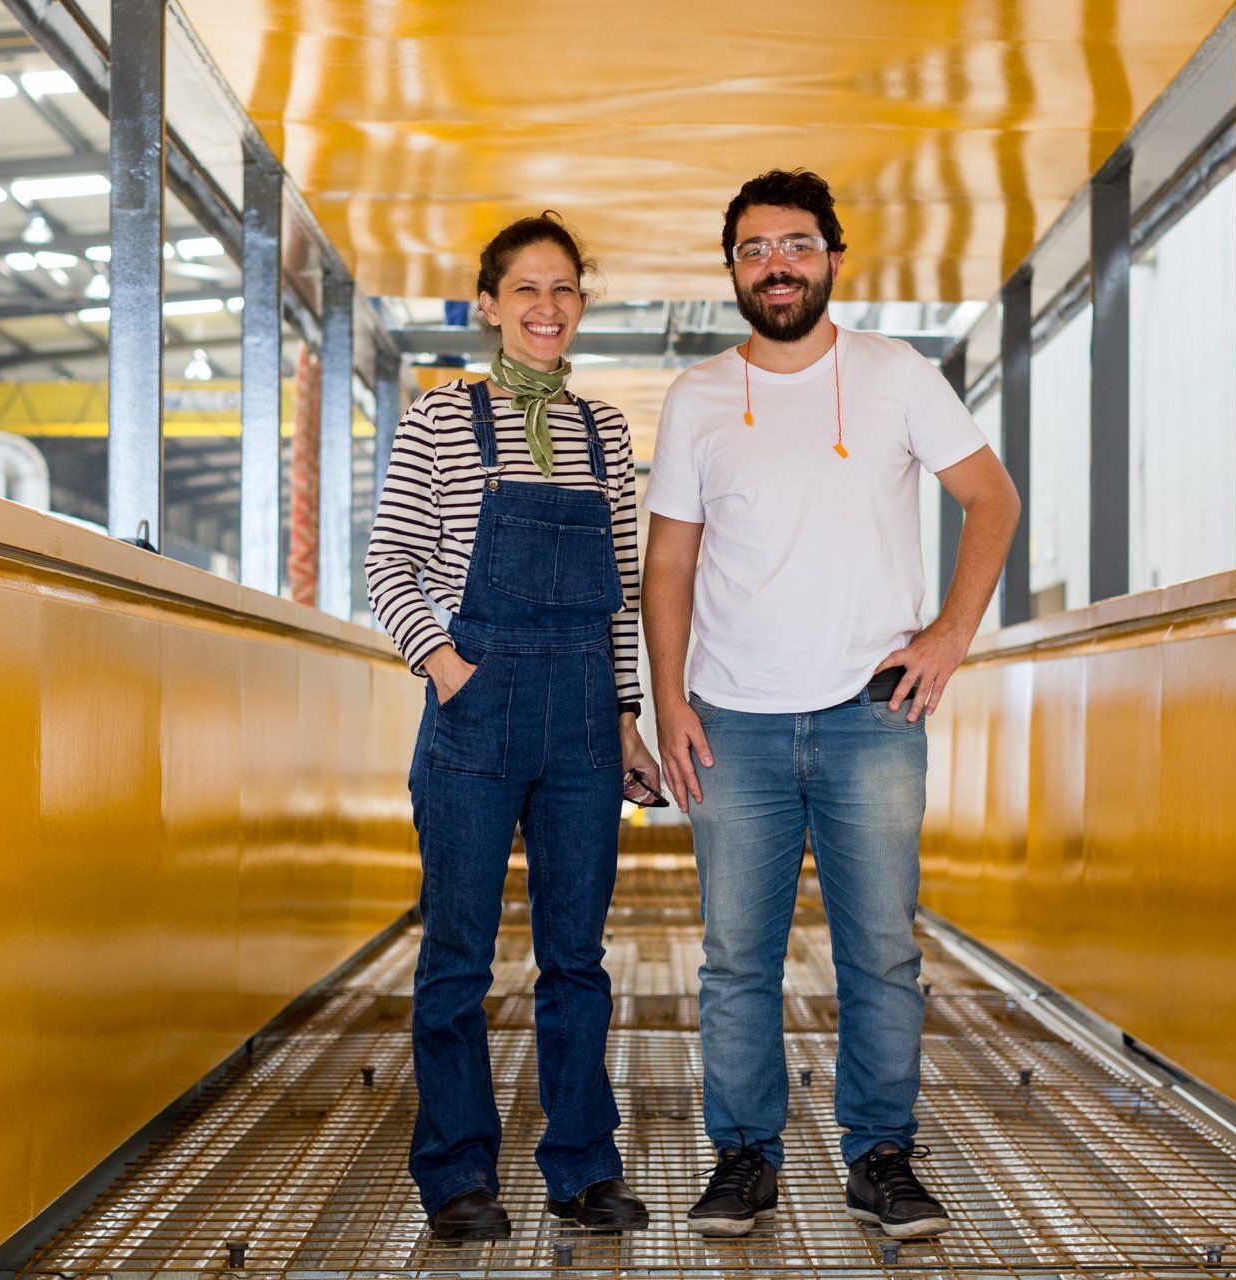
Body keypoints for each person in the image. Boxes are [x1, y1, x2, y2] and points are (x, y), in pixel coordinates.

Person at [642, 170, 1020, 1240]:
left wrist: (949, 632)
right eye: (756, 247)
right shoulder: (700, 397)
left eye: (797, 244)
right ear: (733, 269)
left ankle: (882, 1156)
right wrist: (668, 700)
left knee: (882, 951)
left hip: (871, 717)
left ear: (834, 257)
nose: (777, 264)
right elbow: (668, 564)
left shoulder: (899, 375)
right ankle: (744, 1158)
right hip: (733, 721)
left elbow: (992, 497)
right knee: (733, 960)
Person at [365, 212, 660, 1242]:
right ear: (488, 304)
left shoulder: (606, 431)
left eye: (564, 289)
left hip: (582, 712)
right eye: (526, 289)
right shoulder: (439, 420)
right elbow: (388, 567)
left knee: (575, 958)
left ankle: (583, 1165)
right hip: (476, 708)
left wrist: (626, 715)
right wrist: (448, 669)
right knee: (459, 954)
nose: (547, 307)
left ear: (582, 304)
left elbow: (618, 592)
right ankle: (456, 1172)